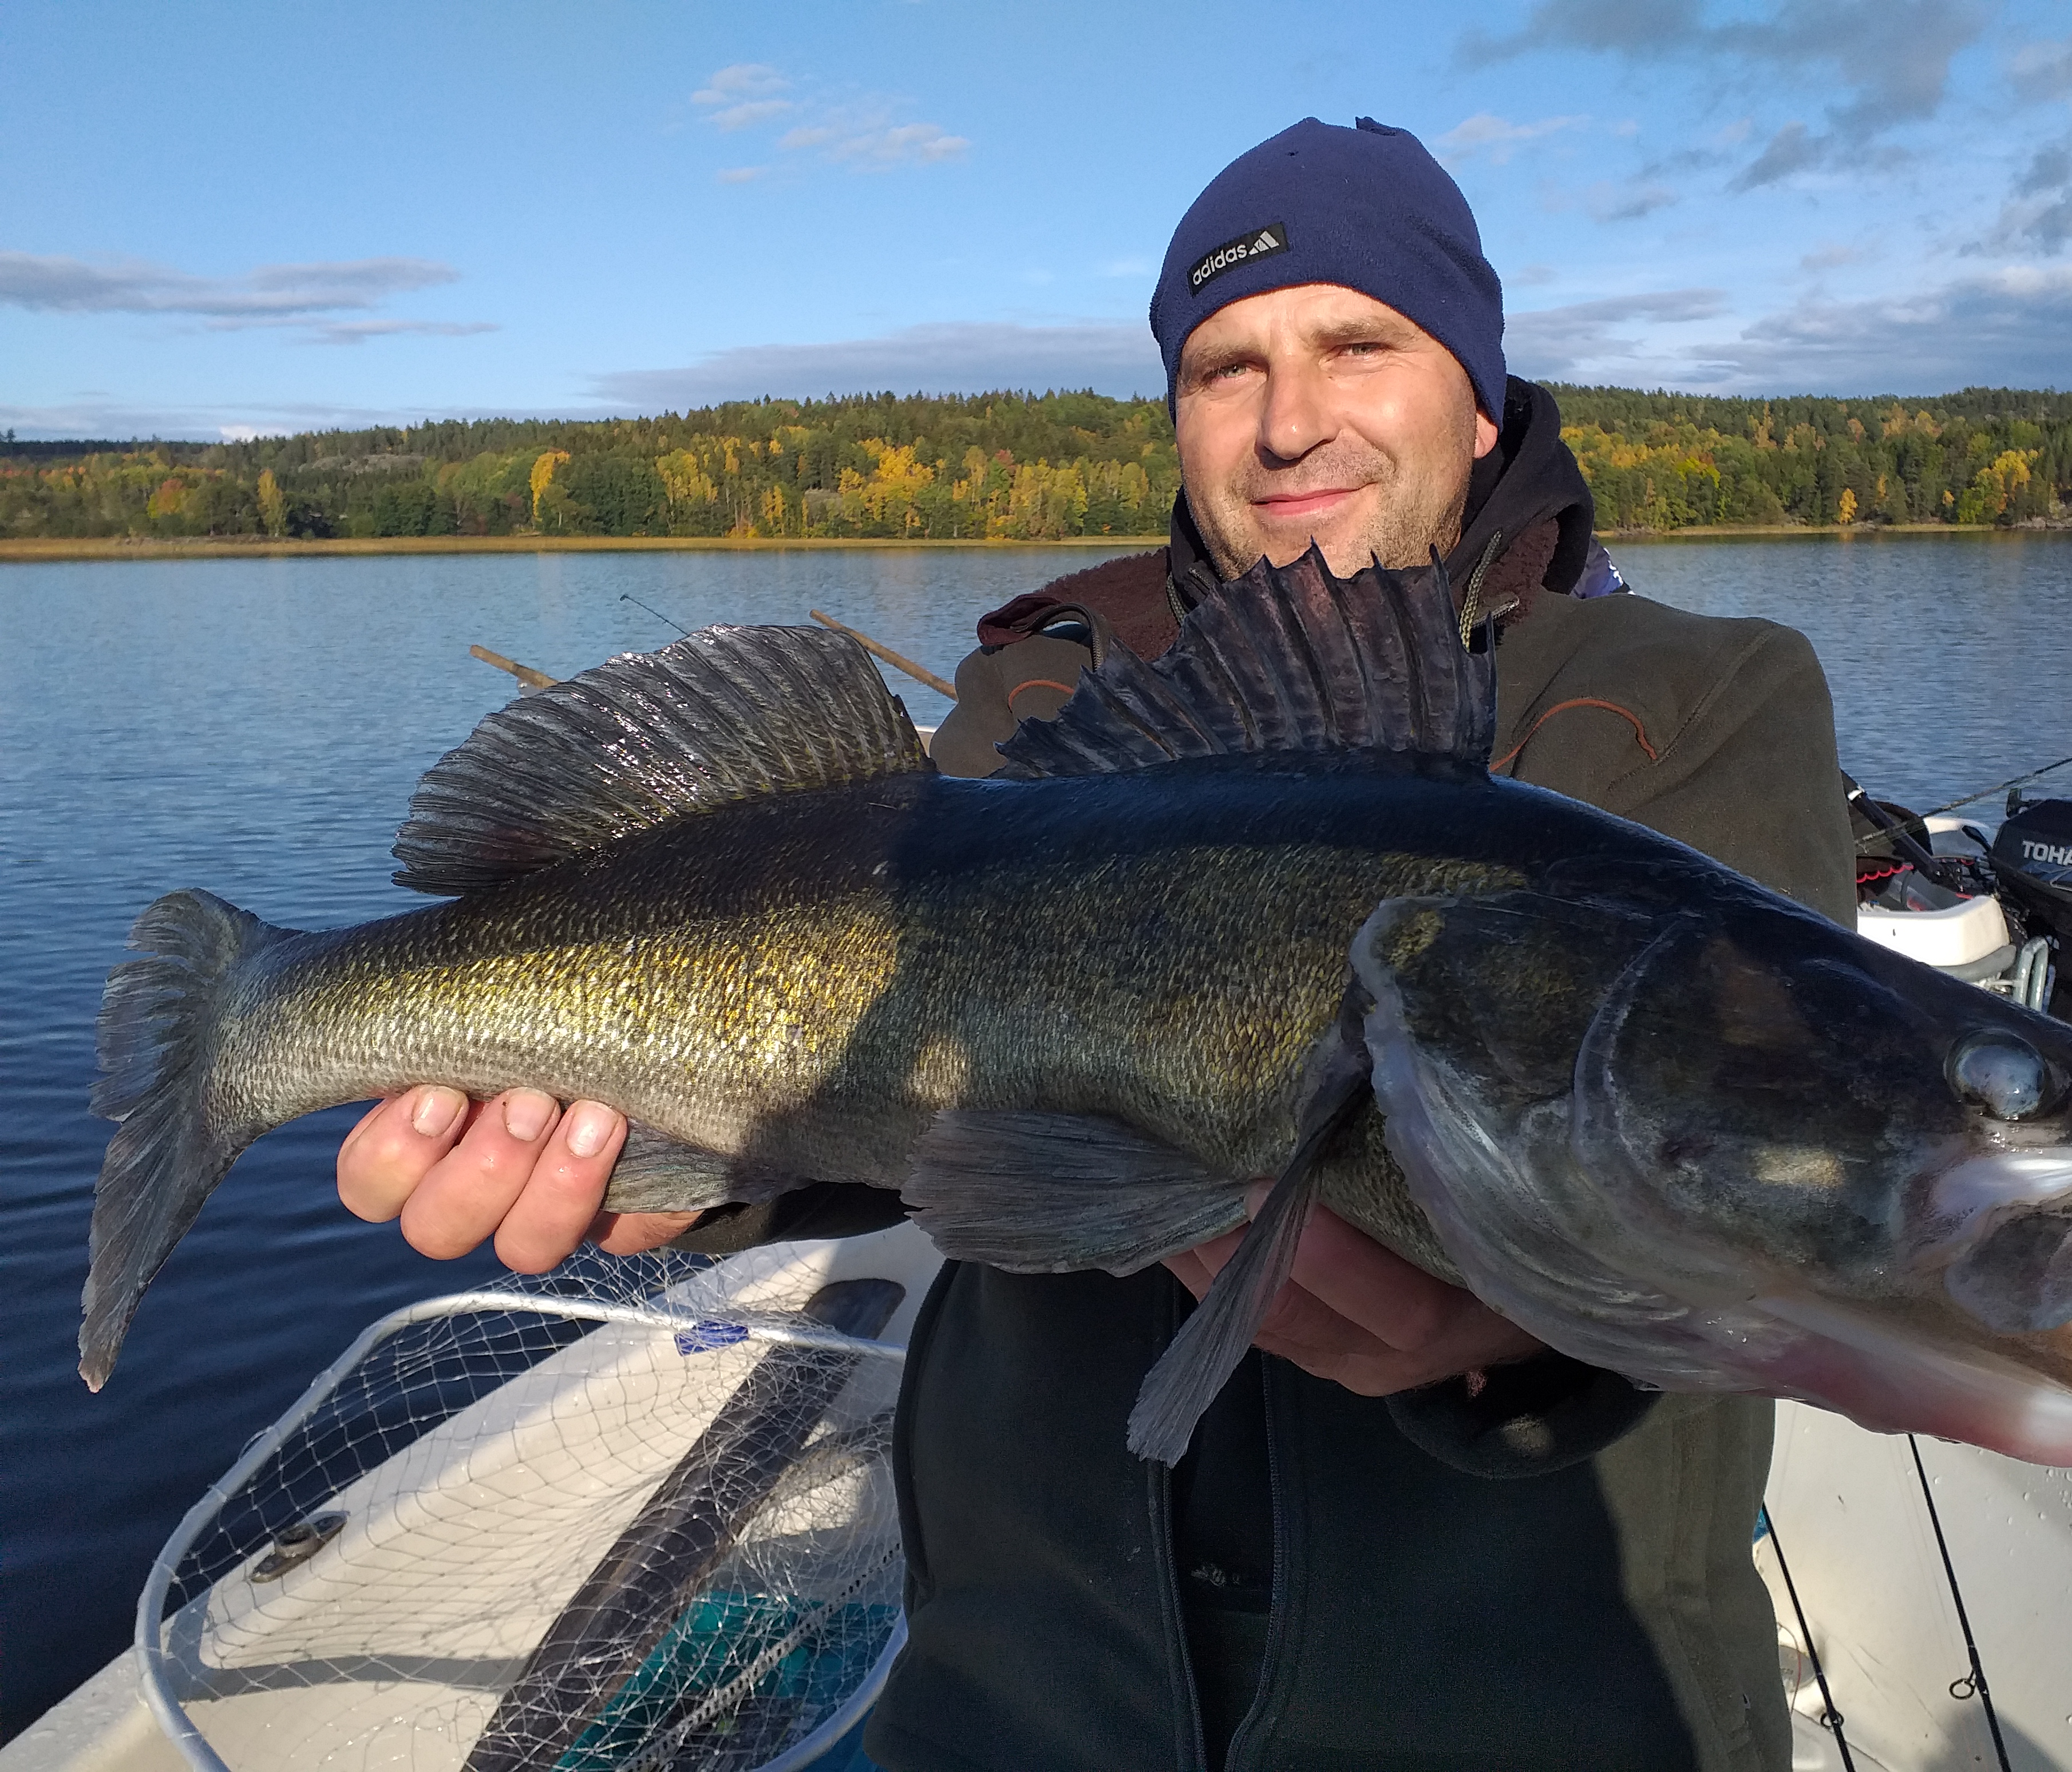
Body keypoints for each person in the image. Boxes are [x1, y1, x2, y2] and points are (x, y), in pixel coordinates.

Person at [339, 118, 1855, 1771]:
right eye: (1225, 367)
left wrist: (1534, 1332)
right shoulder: (1049, 694)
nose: (1290, 420)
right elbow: (897, 1079)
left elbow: (1787, 1156)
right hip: (1028, 1699)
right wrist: (675, 1170)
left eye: (1360, 345)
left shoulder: (1702, 693)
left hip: (1517, 1717)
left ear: (1481, 396)